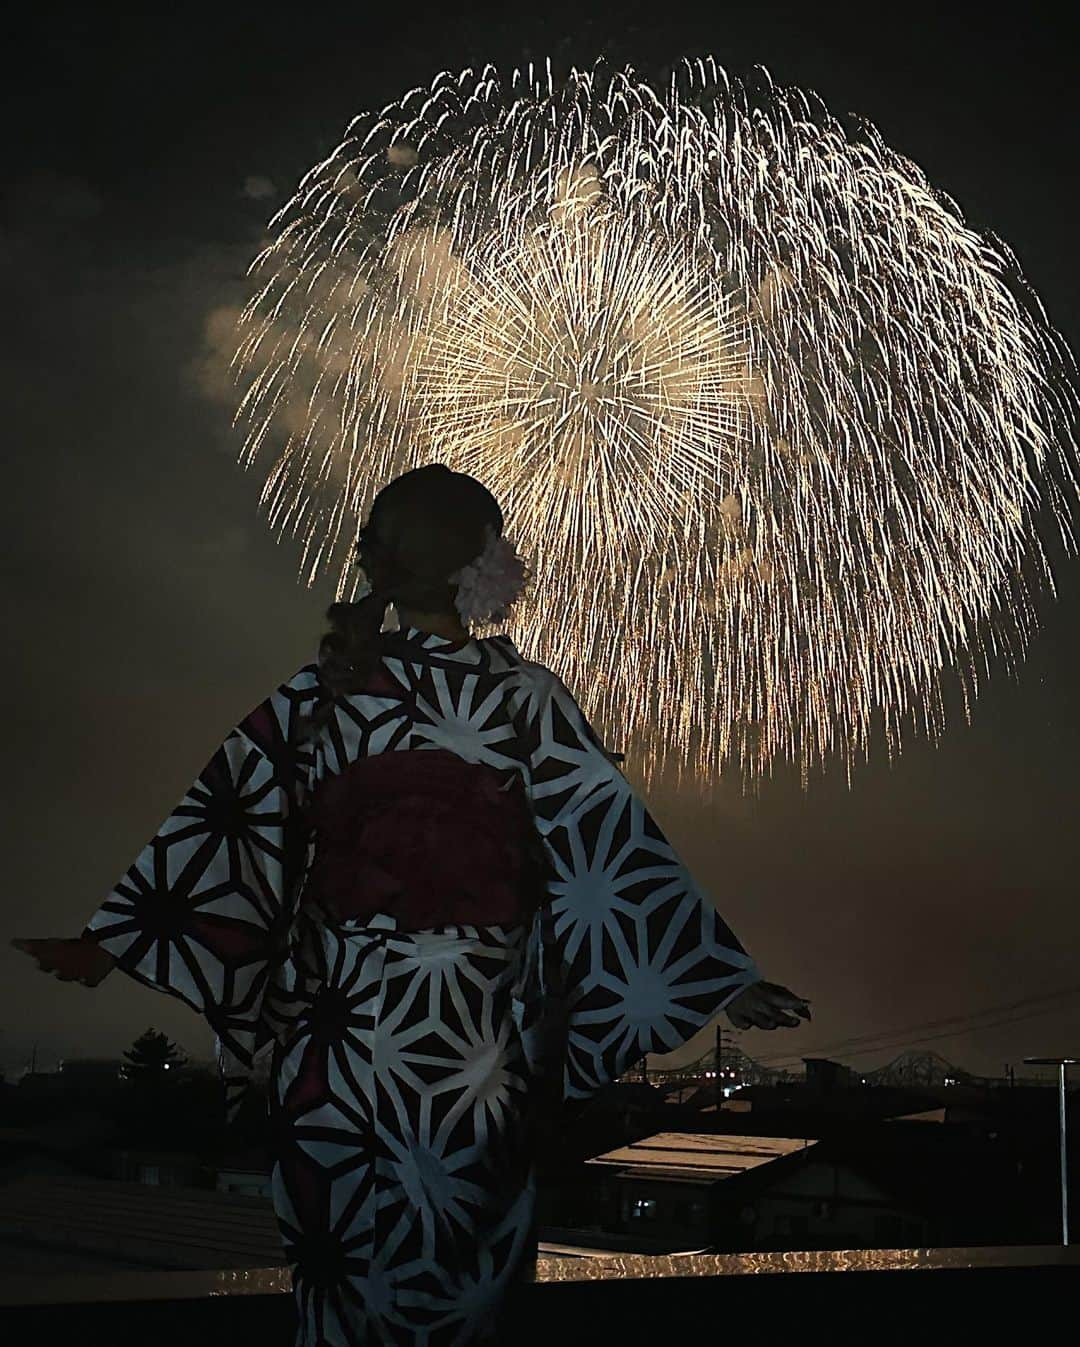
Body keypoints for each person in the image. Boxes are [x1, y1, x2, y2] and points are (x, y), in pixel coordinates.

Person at [13, 463, 809, 1346]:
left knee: (339, 1278)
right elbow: (609, 846)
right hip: (463, 1048)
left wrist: (117, 938)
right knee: (460, 1284)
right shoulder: (519, 698)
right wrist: (709, 974)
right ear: (486, 563)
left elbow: (227, 823)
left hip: (336, 1039)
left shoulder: (322, 694)